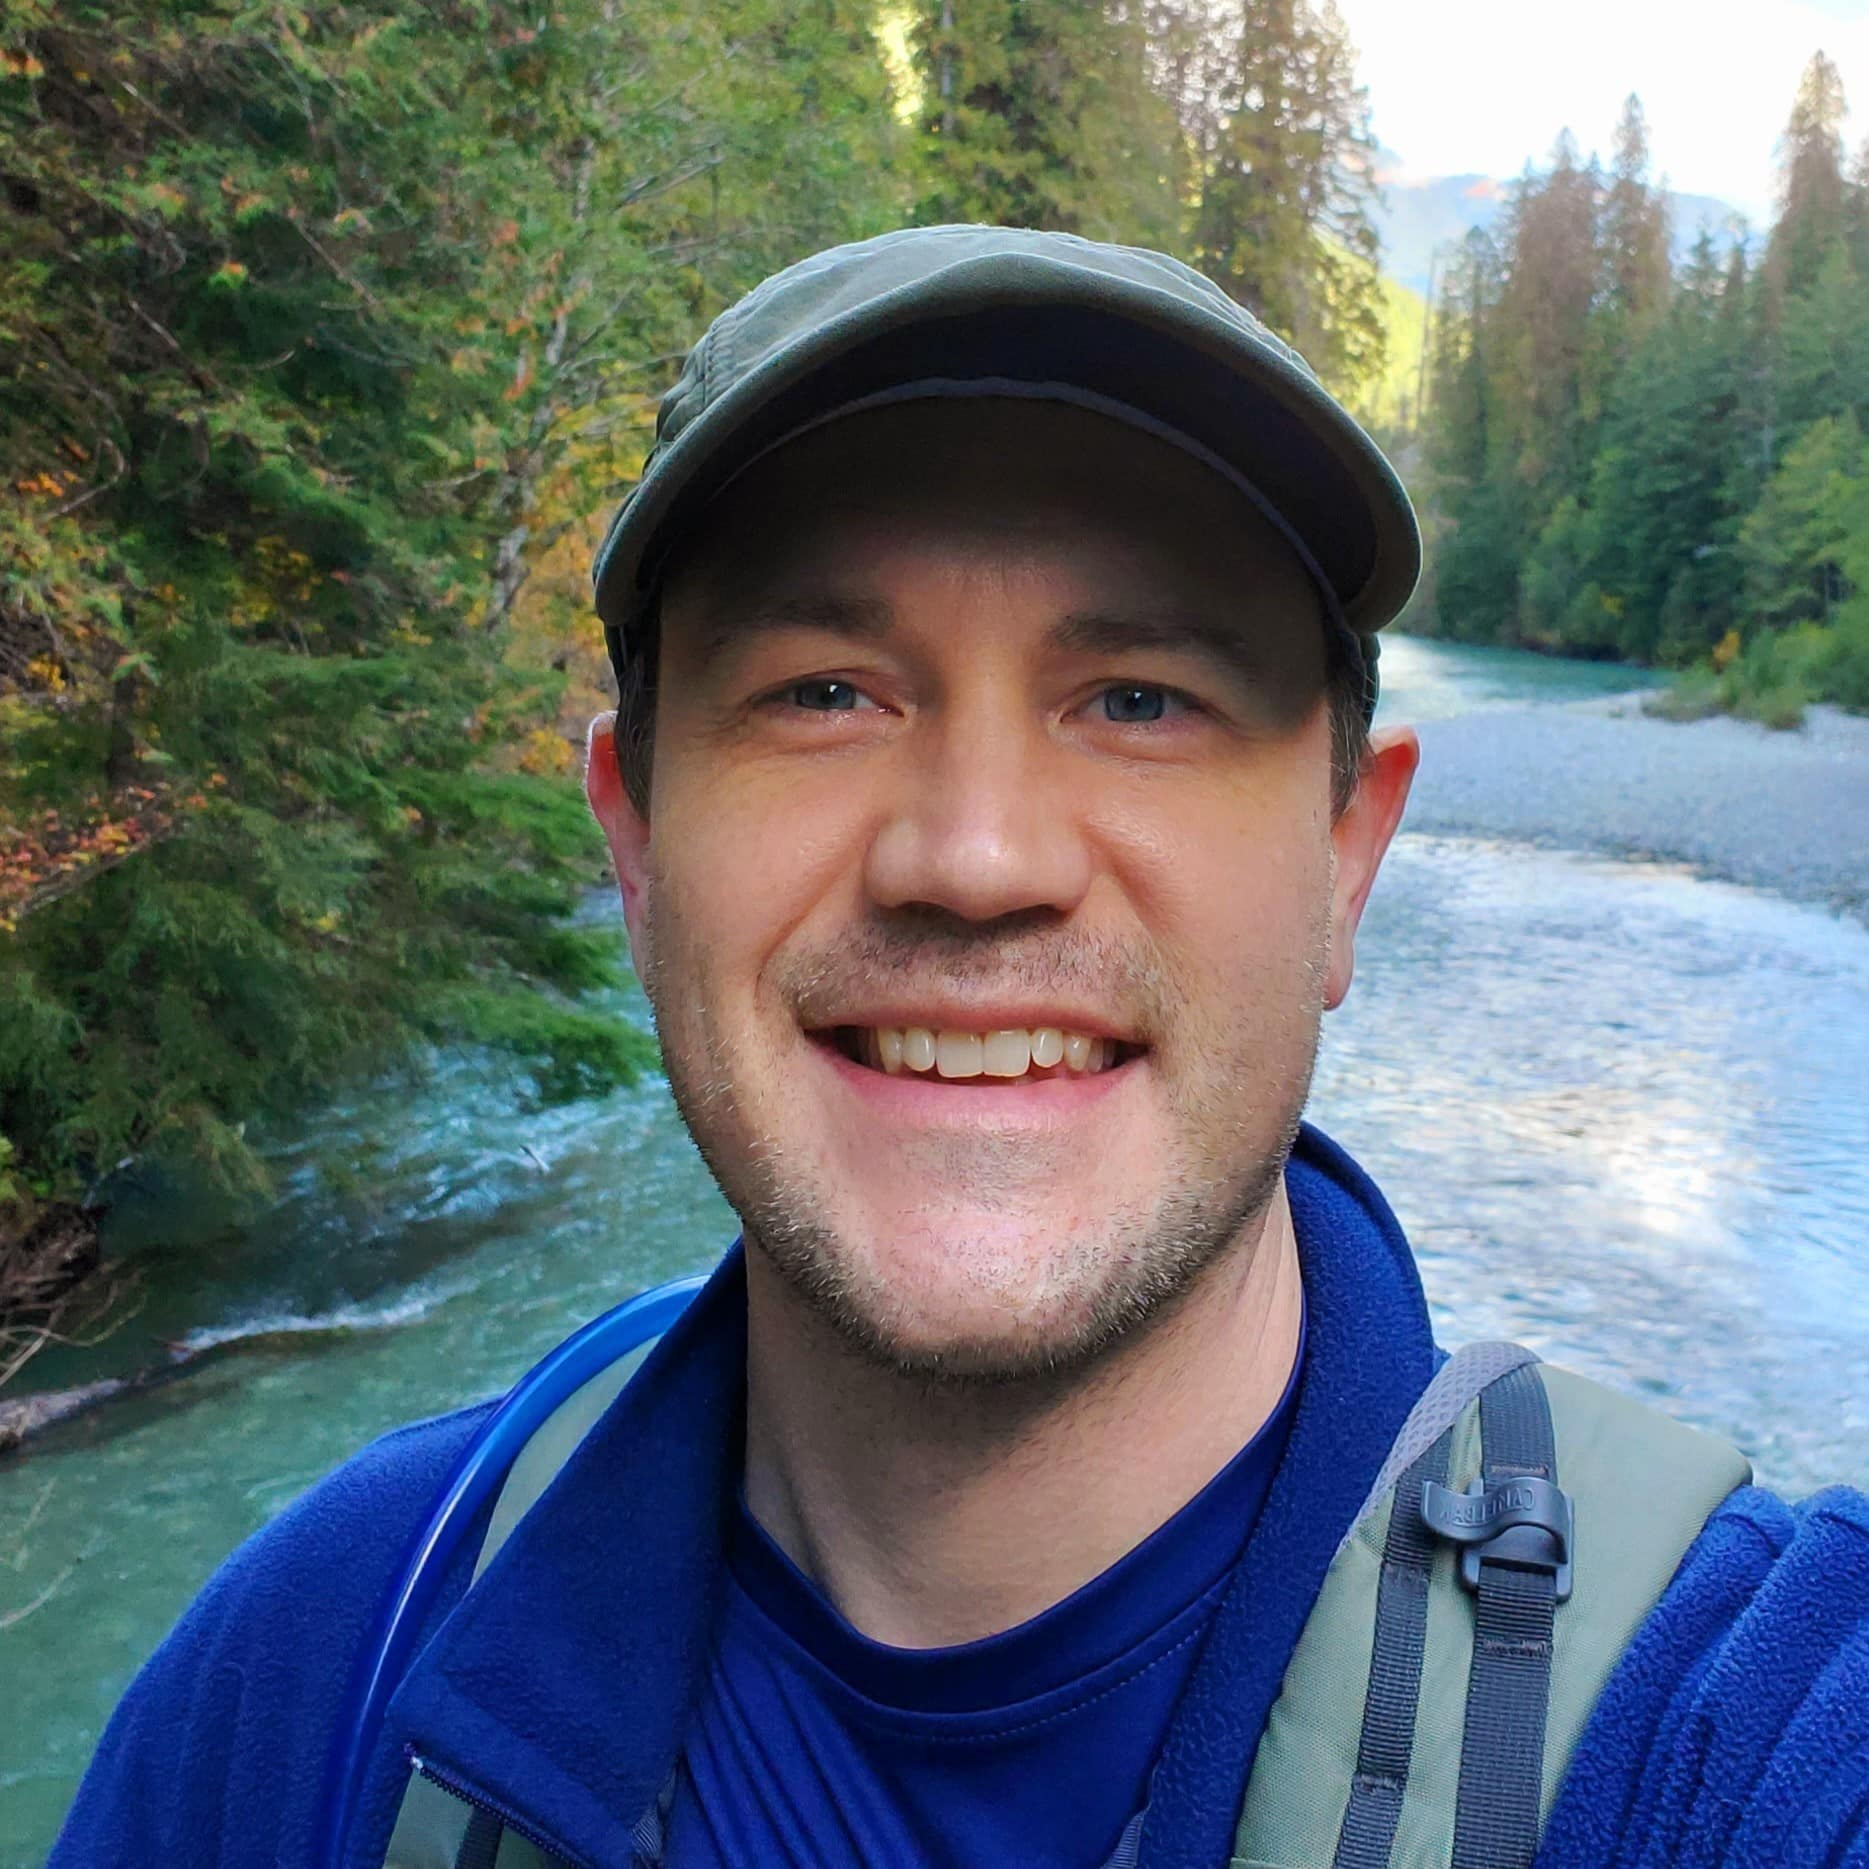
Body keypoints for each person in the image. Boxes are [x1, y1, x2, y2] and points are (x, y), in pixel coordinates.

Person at [50, 226, 1869, 1869]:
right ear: (635, 836)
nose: (977, 857)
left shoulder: (1737, 1734)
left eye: (1141, 699)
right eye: (824, 692)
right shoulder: (308, 1691)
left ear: (1343, 859)